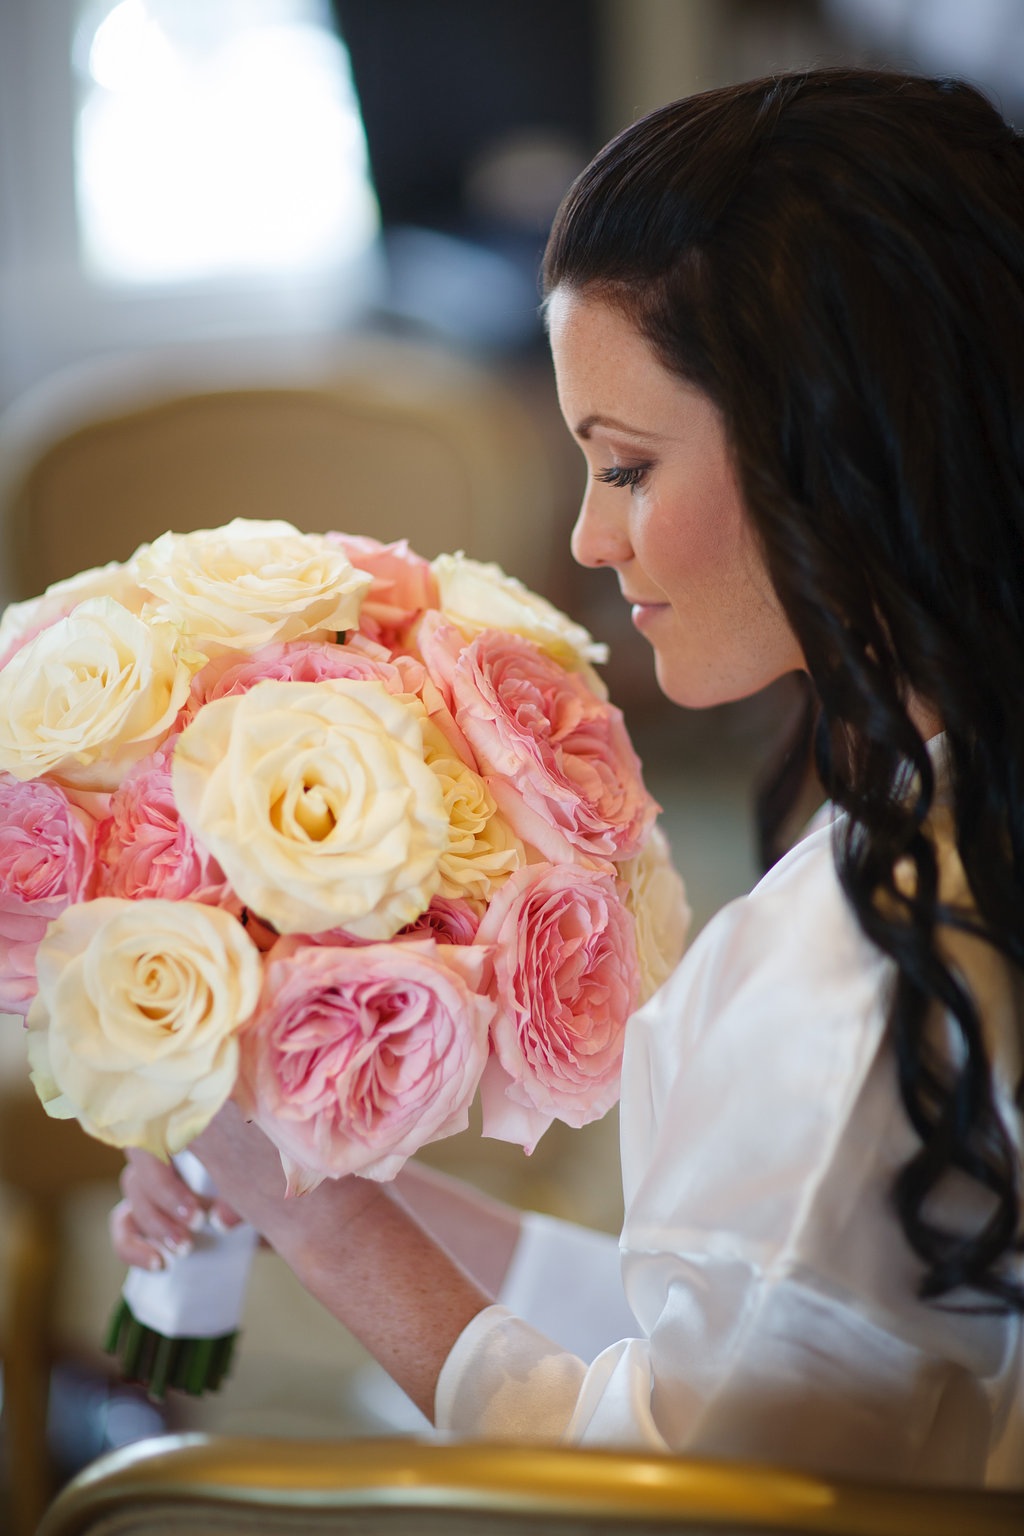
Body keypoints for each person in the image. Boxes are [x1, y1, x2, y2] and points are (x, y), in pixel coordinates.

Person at [110, 67, 1024, 1486]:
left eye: (631, 464)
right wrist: (315, 1181)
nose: (594, 540)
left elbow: (686, 1493)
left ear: (838, 446)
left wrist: (325, 1235)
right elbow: (780, 1329)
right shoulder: (952, 822)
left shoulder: (869, 961)